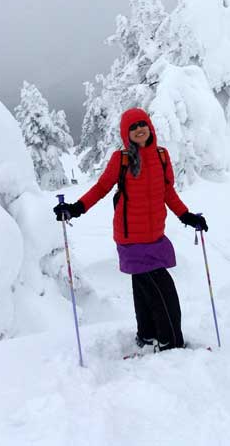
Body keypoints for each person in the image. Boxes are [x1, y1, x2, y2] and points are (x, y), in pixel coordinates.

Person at [53, 106, 208, 352]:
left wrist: (187, 216)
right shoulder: (122, 159)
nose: (139, 129)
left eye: (142, 124)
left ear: (150, 127)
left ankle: (147, 336)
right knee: (163, 291)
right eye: (133, 127)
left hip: (155, 235)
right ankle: (171, 342)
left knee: (143, 287)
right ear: (126, 133)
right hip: (131, 239)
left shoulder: (161, 156)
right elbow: (101, 188)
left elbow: (168, 192)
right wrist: (76, 208)